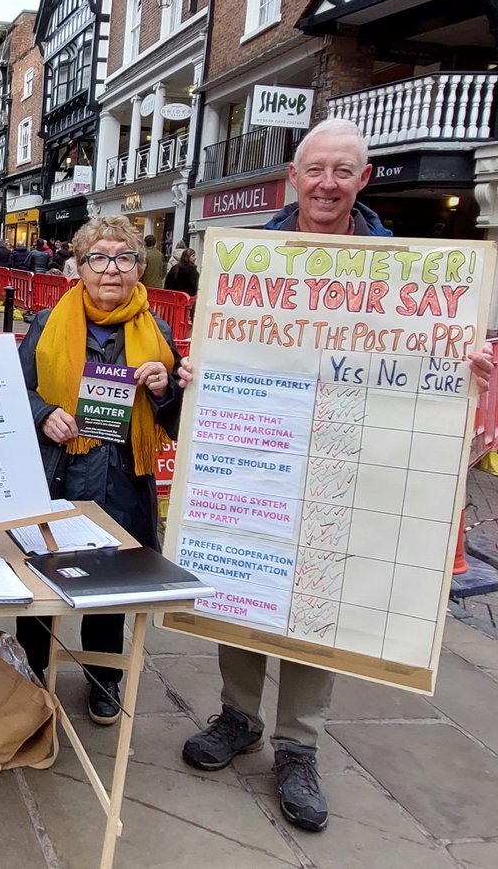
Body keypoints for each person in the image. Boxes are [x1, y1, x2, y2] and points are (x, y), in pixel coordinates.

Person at [179, 116, 495, 833]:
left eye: (342, 170)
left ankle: (299, 744)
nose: (327, 183)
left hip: (353, 449)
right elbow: (224, 345)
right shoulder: (252, 255)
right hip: (263, 444)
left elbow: (429, 360)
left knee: (322, 591)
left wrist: (465, 376)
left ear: (364, 178)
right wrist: (202, 368)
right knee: (246, 575)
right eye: (315, 169)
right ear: (293, 176)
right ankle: (238, 716)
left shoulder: (399, 263)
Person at [15, 215, 182, 724]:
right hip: (58, 474)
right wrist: (44, 415)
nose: (112, 269)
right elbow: (12, 395)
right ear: (80, 267)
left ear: (139, 269)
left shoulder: (158, 331)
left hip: (124, 481)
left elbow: (177, 423)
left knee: (110, 584)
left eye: (124, 257)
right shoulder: (47, 323)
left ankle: (103, 677)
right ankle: (30, 671)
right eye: (99, 258)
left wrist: (163, 389)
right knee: (43, 582)